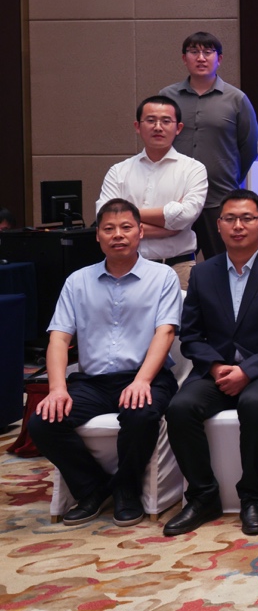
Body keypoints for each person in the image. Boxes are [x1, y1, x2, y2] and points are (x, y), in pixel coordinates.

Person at [28, 198, 181, 527]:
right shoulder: (77, 281)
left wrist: (141, 381)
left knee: (141, 414)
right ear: (97, 235)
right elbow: (59, 339)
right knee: (43, 422)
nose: (118, 235)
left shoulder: (163, 277)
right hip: (93, 383)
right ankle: (92, 488)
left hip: (147, 376)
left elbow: (165, 332)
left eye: (126, 227)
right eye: (109, 229)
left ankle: (127, 490)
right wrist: (57, 389)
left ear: (140, 232)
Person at [163, 189, 258, 537]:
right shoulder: (203, 273)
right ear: (219, 225)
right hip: (216, 369)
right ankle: (203, 497)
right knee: (180, 408)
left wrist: (248, 371)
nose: (238, 226)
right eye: (230, 219)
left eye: (247, 218)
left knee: (255, 404)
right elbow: (191, 335)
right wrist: (214, 367)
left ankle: (253, 498)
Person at [160, 31, 258, 261]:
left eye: (208, 52)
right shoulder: (167, 97)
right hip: (176, 198)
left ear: (219, 59)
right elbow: (159, 141)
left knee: (223, 264)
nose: (201, 57)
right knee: (175, 265)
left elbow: (249, 147)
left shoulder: (236, 99)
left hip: (219, 197)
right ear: (184, 58)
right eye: (194, 52)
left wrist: (229, 175)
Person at [97, 96, 208, 290]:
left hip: (178, 267)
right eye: (150, 120)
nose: (158, 127)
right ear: (137, 126)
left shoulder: (193, 169)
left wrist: (127, 217)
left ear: (178, 128)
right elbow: (105, 218)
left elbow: (186, 216)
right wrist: (169, 227)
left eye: (166, 121)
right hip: (128, 267)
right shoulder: (118, 171)